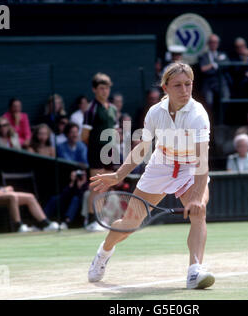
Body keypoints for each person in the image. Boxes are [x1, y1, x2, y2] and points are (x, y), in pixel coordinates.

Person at [87, 62, 215, 290]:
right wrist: (118, 175)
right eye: (178, 85)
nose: (184, 90)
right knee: (129, 223)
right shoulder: (155, 113)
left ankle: (195, 270)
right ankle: (104, 253)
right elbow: (142, 148)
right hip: (161, 165)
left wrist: (196, 197)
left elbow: (201, 162)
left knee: (199, 212)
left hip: (189, 168)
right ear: (165, 88)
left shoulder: (198, 116)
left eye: (188, 84)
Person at [0, 145, 60, 232]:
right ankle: (19, 226)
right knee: (12, 196)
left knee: (30, 197)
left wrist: (3, 189)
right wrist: (3, 190)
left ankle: (45, 224)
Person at [81, 73, 119, 232]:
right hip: (96, 152)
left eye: (107, 88)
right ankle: (91, 220)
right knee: (96, 187)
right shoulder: (91, 109)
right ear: (94, 90)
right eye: (101, 88)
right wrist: (97, 147)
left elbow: (115, 131)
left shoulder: (113, 109)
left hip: (111, 152)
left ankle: (101, 219)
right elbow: (84, 136)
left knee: (106, 186)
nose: (104, 91)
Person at [198, 34, 231, 112]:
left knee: (226, 98)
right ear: (208, 43)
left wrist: (213, 65)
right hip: (208, 82)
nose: (214, 44)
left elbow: (227, 65)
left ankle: (222, 119)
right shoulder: (203, 56)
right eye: (211, 42)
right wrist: (213, 65)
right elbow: (203, 69)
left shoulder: (223, 54)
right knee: (208, 102)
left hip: (221, 81)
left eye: (215, 42)